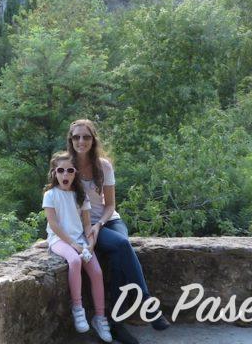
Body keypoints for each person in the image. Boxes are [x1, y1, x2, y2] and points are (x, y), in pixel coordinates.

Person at [67, 119, 171, 344]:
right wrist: (87, 228)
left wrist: (100, 225)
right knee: (122, 246)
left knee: (118, 257)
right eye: (76, 137)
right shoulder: (66, 167)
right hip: (84, 225)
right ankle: (146, 304)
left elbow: (110, 205)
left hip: (109, 220)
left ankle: (115, 323)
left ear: (93, 140)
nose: (81, 141)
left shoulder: (103, 166)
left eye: (86, 137)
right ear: (71, 140)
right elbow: (57, 200)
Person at [43, 151, 113, 343]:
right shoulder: (50, 195)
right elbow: (54, 225)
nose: (65, 174)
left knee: (97, 272)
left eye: (70, 170)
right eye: (61, 170)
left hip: (80, 239)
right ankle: (77, 308)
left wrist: (90, 244)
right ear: (54, 173)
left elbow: (87, 225)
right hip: (59, 240)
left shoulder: (81, 196)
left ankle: (100, 317)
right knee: (74, 261)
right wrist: (73, 244)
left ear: (75, 173)